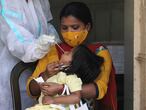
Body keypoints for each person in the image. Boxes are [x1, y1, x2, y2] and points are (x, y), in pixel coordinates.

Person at [27, 2, 117, 110]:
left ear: (87, 26)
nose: (69, 32)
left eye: (75, 27)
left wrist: (61, 89)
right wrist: (45, 75)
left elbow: (98, 88)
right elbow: (32, 90)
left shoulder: (99, 51)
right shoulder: (53, 50)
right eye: (64, 28)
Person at [0, 0, 60, 110]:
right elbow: (14, 36)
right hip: (11, 74)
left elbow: (47, 24)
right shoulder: (6, 2)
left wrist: (56, 44)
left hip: (39, 71)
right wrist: (38, 47)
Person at [26, 45, 104, 110]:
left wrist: (53, 100)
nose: (65, 52)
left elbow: (76, 97)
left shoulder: (72, 78)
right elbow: (38, 86)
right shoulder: (58, 74)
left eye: (69, 53)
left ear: (72, 65)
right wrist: (45, 75)